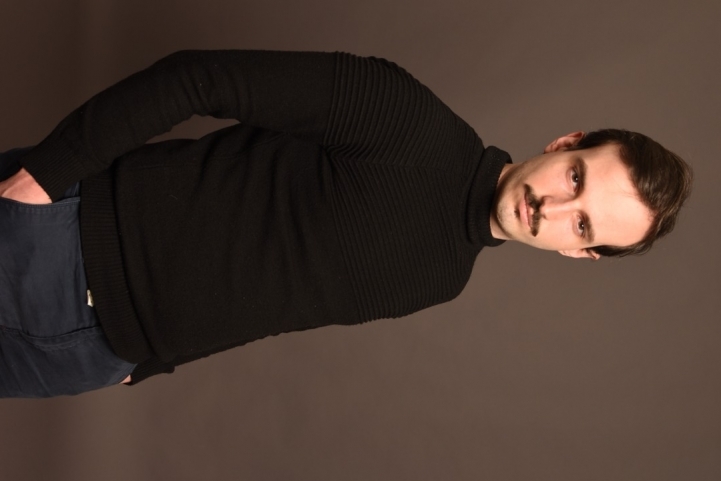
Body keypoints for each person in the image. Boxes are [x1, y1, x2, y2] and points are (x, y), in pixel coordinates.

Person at [0, 50, 692, 398]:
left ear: (579, 254)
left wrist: (150, 363)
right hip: (59, 239)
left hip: (91, 355)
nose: (554, 209)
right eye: (575, 179)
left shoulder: (444, 278)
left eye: (583, 226)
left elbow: (276, 305)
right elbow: (200, 77)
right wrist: (48, 175)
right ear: (566, 144)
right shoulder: (406, 117)